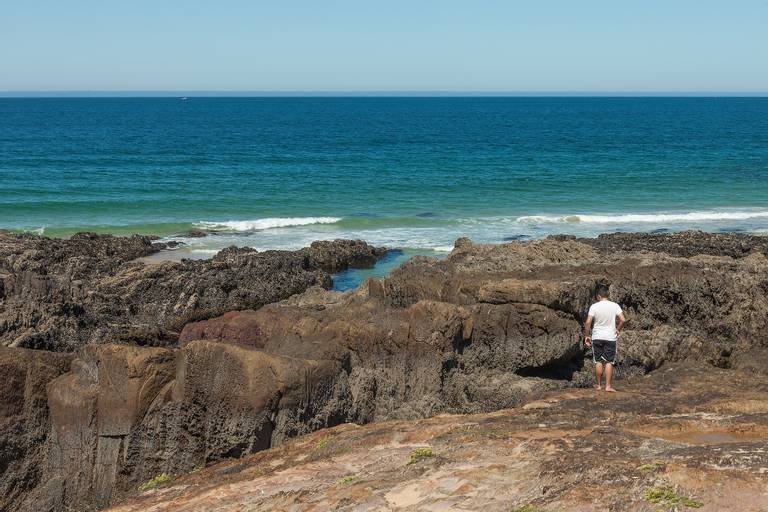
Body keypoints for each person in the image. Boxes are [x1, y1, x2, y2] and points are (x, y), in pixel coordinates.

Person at [583, 284, 625, 392]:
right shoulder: (615, 305)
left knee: (598, 361)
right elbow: (623, 320)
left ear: (598, 296)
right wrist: (618, 329)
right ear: (607, 294)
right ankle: (608, 386)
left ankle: (598, 385)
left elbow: (588, 322)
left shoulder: (594, 306)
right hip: (610, 337)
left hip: (597, 337)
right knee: (609, 362)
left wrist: (586, 336)